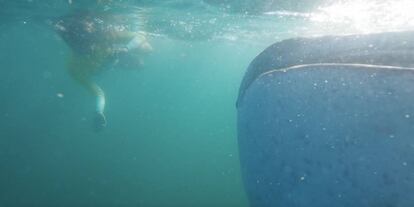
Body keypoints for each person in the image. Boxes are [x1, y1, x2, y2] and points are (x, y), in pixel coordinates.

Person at [54, 9, 152, 131]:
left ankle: (122, 56)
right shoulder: (73, 69)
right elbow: (99, 93)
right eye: (81, 47)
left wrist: (127, 48)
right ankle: (122, 58)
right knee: (140, 63)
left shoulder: (106, 35)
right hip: (111, 61)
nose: (87, 48)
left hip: (113, 55)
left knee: (147, 50)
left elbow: (141, 37)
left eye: (87, 43)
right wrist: (99, 112)